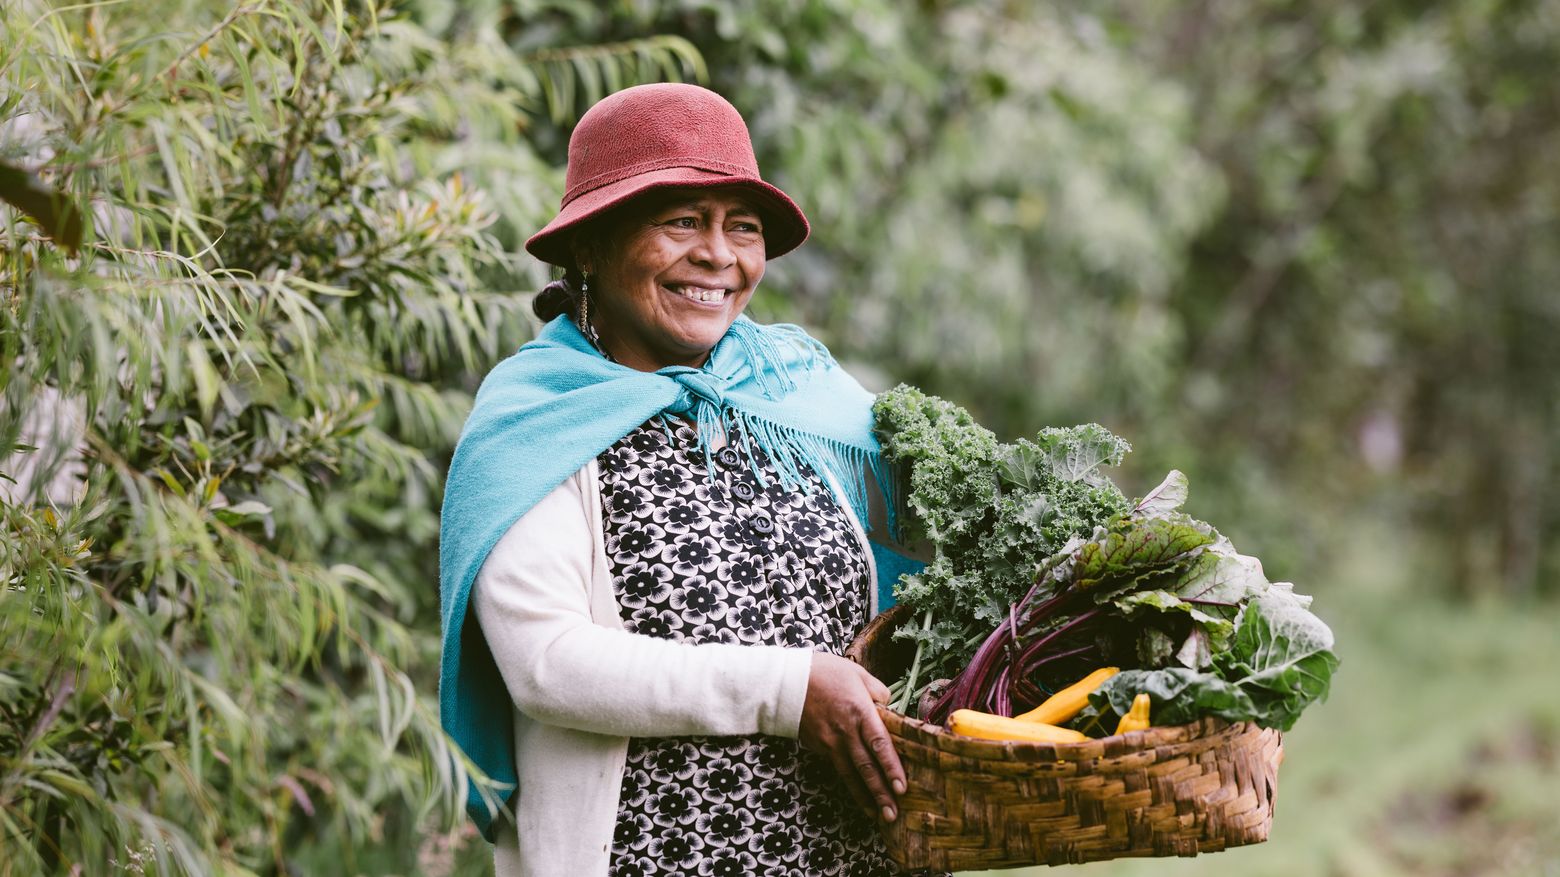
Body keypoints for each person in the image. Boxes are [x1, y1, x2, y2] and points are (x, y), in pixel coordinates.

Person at [438, 83, 930, 876]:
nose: (718, 255)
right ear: (591, 247)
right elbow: (548, 662)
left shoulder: (796, 393)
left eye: (743, 227)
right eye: (680, 221)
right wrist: (786, 691)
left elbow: (916, 593)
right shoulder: (537, 419)